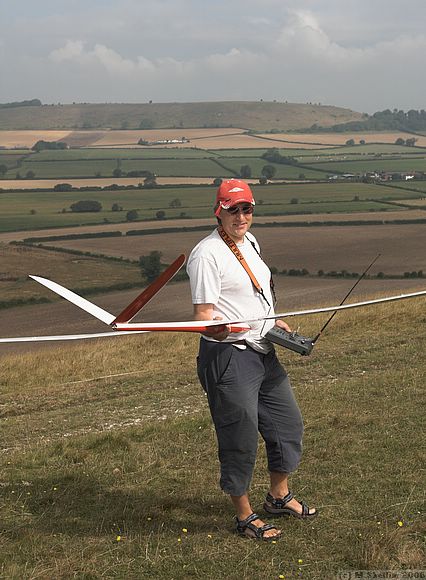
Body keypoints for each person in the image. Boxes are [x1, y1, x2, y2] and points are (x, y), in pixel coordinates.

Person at [186, 179, 316, 541]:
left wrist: (272, 319)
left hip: (264, 348)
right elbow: (203, 317)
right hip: (230, 355)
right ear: (219, 211)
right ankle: (244, 515)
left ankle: (278, 496)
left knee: (287, 423)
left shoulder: (251, 242)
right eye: (233, 209)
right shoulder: (207, 255)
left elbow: (257, 293)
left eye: (247, 209)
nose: (241, 216)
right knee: (239, 434)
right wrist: (216, 329)